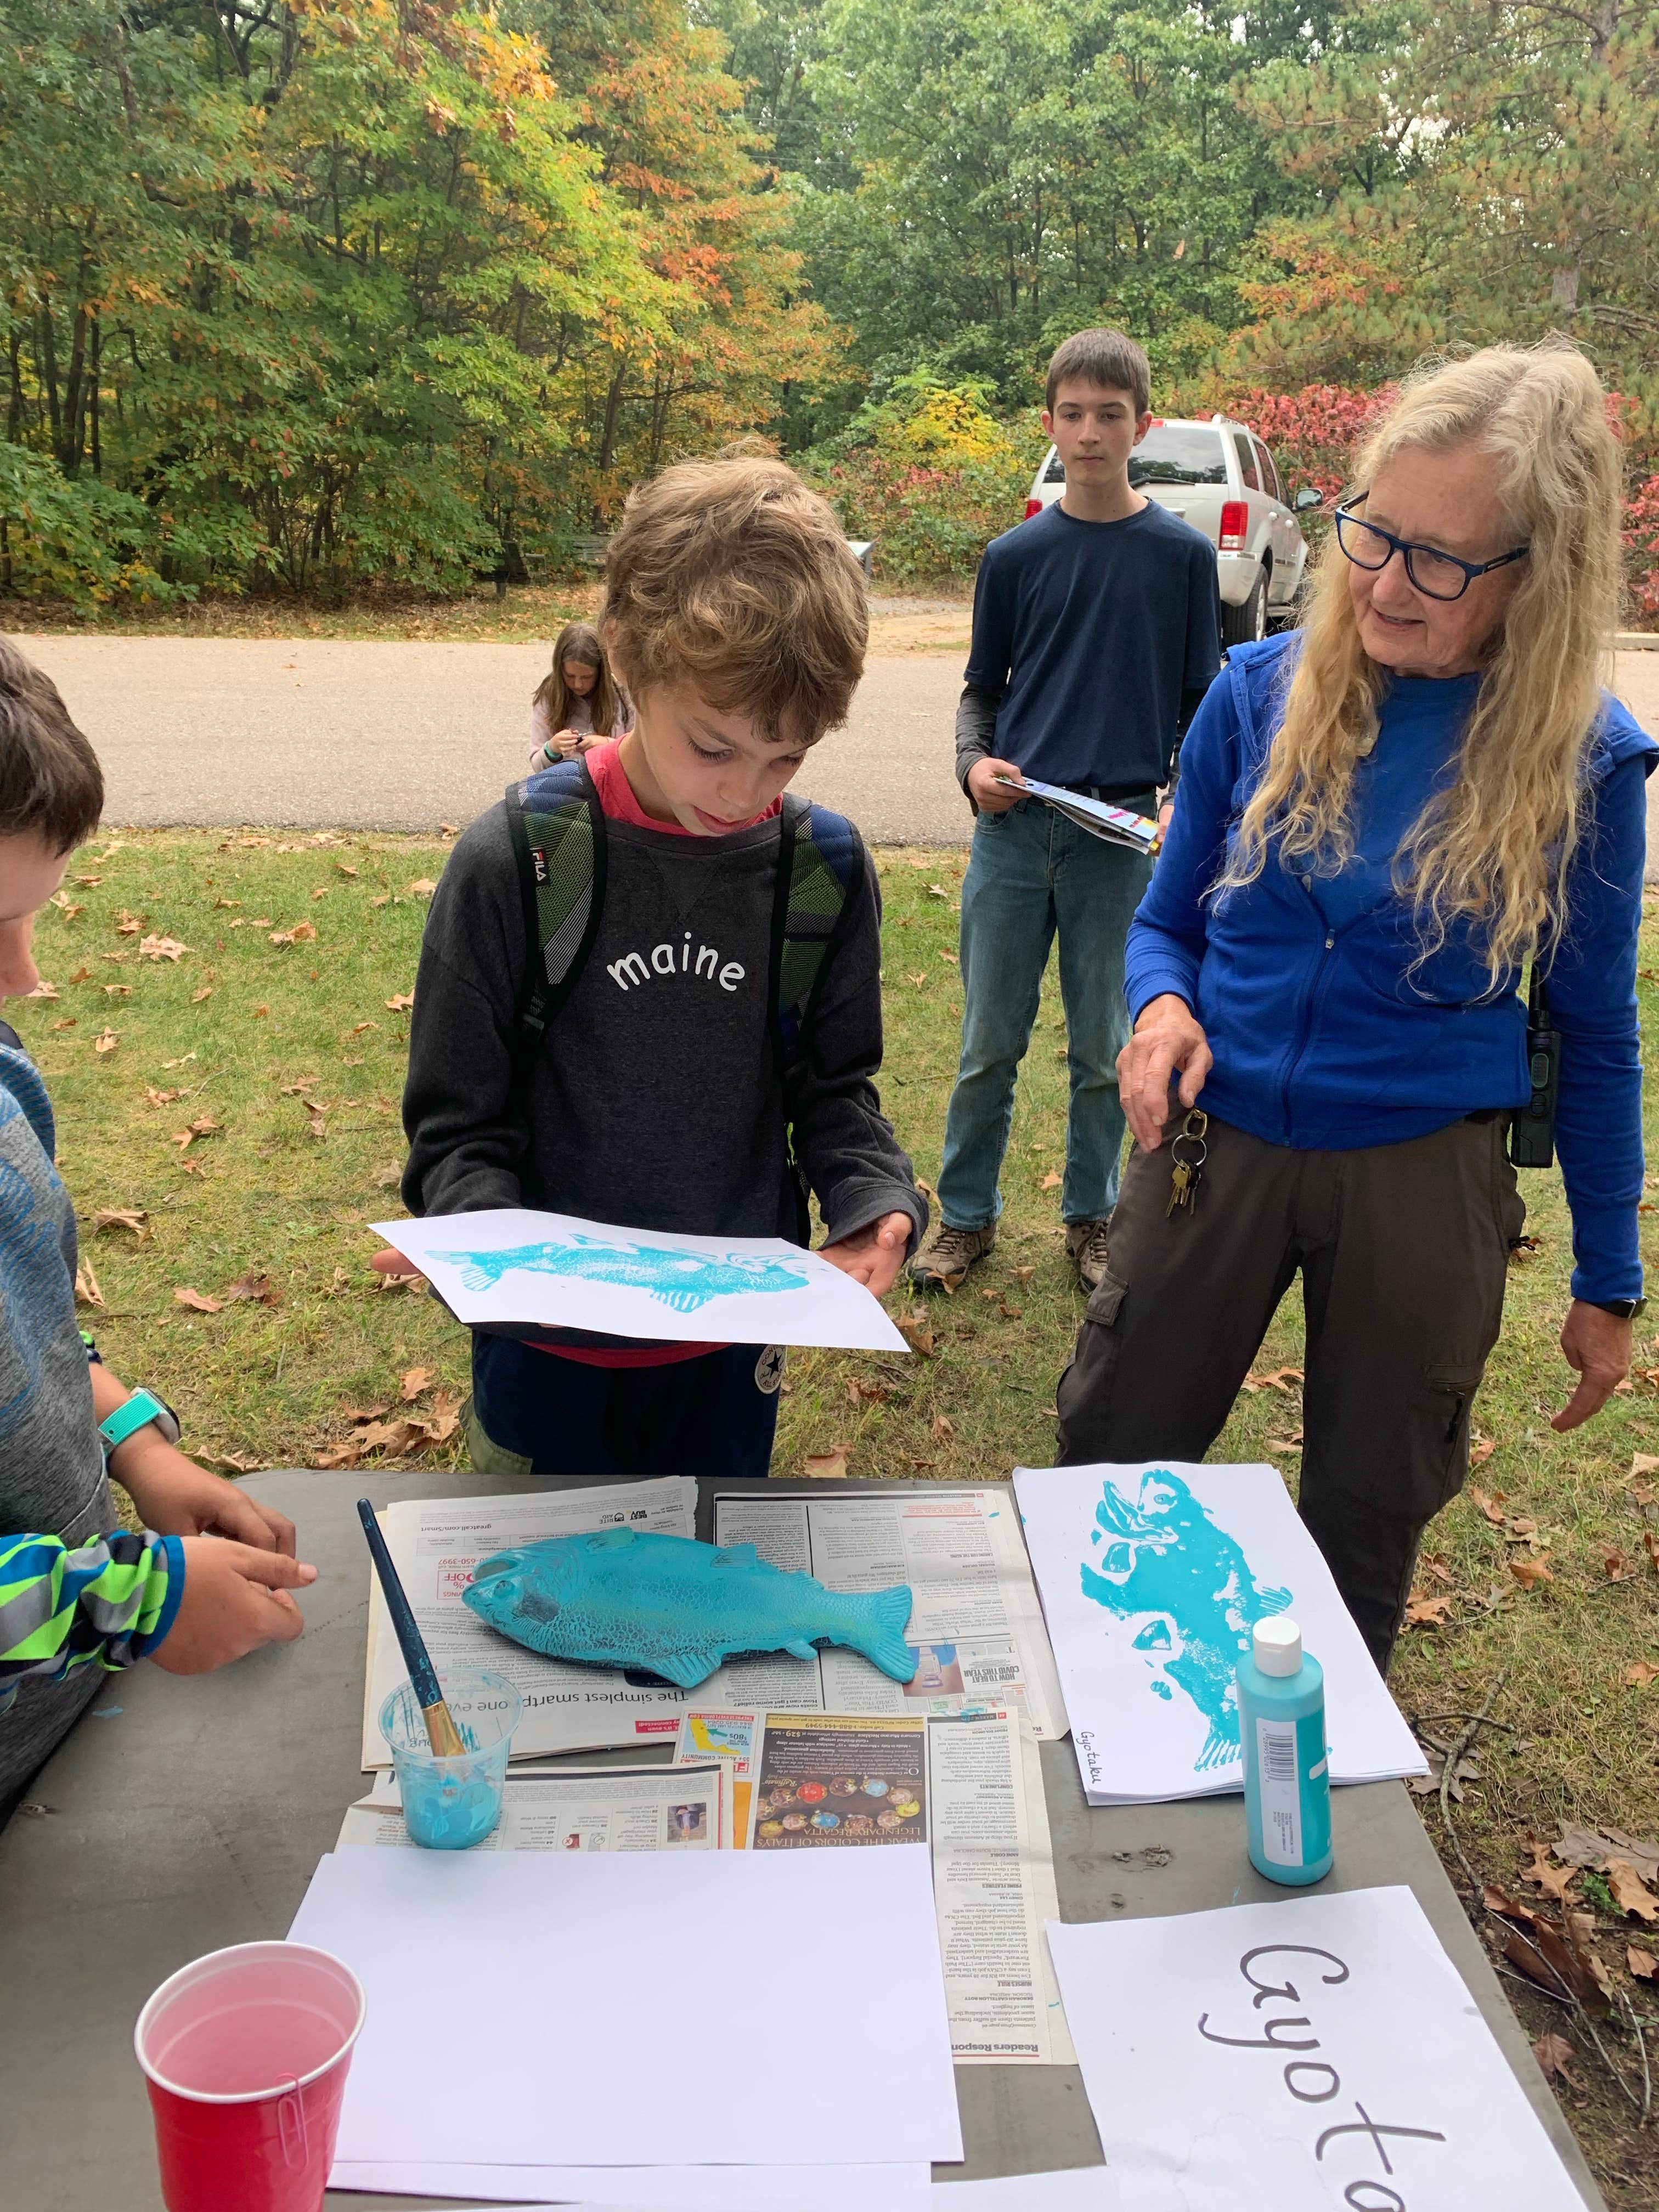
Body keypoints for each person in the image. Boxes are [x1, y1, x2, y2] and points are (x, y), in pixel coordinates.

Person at [1056, 341, 1655, 1672]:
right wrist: (1161, 1010)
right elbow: (1167, 921)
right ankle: (1095, 1718)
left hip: (1421, 1171)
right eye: (1374, 532)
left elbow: (1601, 1034)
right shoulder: (1257, 694)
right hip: (1220, 1146)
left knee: (1368, 1509)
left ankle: (1317, 1780)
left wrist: (1609, 1279)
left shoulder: (1587, 767)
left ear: (1538, 580)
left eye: (1443, 560)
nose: (1388, 581)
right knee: (1110, 1455)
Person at [399, 458, 926, 1479]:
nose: (744, 793)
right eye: (713, 747)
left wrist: (875, 1199)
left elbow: (833, 1091)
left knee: (702, 1598)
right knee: (544, 1609)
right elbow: (456, 1126)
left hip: (726, 1355)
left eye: (787, 759)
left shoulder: (818, 868)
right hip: (544, 1348)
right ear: (629, 667)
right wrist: (480, 1243)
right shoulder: (521, 857)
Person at [0, 639, 316, 1822]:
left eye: (33, 916)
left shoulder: (2, 1078)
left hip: (61, 1731)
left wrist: (136, 1441)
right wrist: (129, 1601)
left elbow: (26, 1338)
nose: (24, 979)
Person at [911, 329, 1222, 1295]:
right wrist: (972, 767)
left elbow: (1198, 705)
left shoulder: (1176, 558)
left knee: (1102, 1050)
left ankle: (1090, 1221)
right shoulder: (1013, 556)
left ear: (1143, 426)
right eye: (1072, 415)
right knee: (985, 1047)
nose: (1090, 433)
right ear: (1048, 425)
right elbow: (978, 692)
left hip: (1117, 845)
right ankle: (963, 1219)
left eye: (1110, 415)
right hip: (1011, 836)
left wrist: (1182, 800)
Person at [529, 619, 632, 767]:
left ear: (601, 673)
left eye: (586, 677)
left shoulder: (622, 694)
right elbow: (537, 765)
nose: (578, 684)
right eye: (570, 676)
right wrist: (552, 748)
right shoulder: (548, 695)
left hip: (608, 782)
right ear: (560, 670)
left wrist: (607, 745)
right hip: (563, 784)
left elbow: (640, 753)